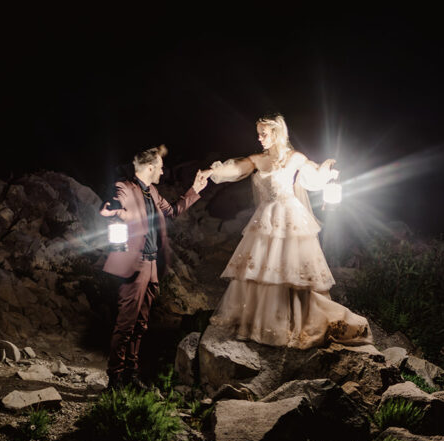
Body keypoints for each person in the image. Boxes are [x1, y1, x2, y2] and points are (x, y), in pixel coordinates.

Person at [201, 114, 370, 349]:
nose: (259, 138)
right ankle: (264, 322)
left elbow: (313, 180)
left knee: (291, 272)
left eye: (264, 133)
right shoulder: (258, 159)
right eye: (258, 133)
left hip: (290, 218)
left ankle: (294, 321)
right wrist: (212, 172)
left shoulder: (296, 158)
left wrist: (327, 172)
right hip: (266, 218)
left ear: (277, 133)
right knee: (262, 271)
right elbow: (237, 168)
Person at [101, 144, 208, 389]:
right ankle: (115, 378)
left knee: (141, 324)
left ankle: (131, 374)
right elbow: (113, 205)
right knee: (126, 324)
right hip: (134, 265)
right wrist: (115, 210)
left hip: (152, 265)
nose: (162, 171)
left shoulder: (154, 192)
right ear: (150, 167)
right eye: (160, 167)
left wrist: (195, 189)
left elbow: (172, 211)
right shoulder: (124, 188)